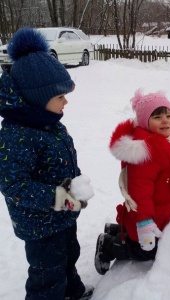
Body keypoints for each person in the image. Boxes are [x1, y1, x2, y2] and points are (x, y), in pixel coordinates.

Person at [0, 27, 95, 300]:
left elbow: (63, 159)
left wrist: (76, 183)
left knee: (68, 256)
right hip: (39, 224)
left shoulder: (49, 124)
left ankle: (71, 291)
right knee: (46, 274)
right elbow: (13, 184)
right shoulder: (17, 136)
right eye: (60, 97)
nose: (66, 101)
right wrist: (60, 196)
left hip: (63, 214)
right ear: (37, 99)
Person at [94, 89, 170, 275]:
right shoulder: (146, 151)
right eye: (158, 117)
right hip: (149, 214)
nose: (165, 121)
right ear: (146, 121)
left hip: (164, 209)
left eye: (168, 115)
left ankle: (116, 230)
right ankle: (109, 245)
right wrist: (144, 222)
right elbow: (139, 190)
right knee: (147, 251)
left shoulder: (168, 140)